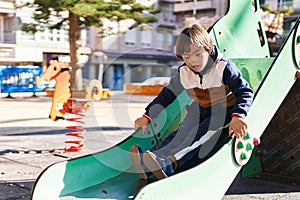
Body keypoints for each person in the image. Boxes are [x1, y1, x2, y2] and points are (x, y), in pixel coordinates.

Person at [130, 23, 254, 181]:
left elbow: (245, 91)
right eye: (186, 57)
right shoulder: (184, 72)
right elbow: (167, 95)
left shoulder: (223, 67)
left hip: (222, 111)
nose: (193, 61)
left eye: (197, 54)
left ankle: (169, 164)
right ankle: (153, 160)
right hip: (199, 108)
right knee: (181, 133)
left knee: (198, 135)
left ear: (208, 49)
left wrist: (238, 116)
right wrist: (147, 115)